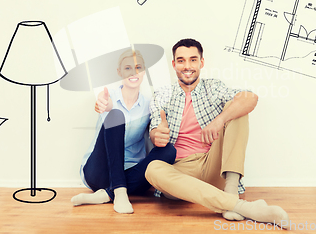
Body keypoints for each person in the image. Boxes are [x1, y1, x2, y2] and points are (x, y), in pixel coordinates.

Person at [145, 38, 289, 228]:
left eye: (193, 60)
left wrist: (219, 120)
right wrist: (157, 135)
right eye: (181, 61)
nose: (187, 66)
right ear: (174, 64)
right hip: (181, 172)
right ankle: (244, 207)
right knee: (152, 169)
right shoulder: (162, 95)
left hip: (212, 164)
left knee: (237, 107)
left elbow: (250, 98)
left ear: (201, 63)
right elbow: (155, 129)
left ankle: (230, 190)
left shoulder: (213, 87)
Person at [71, 49, 176, 214]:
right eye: (127, 68)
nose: (133, 72)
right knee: (116, 115)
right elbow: (103, 103)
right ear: (119, 72)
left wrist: (160, 132)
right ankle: (119, 191)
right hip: (99, 172)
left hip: (131, 173)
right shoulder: (108, 97)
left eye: (138, 67)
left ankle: (107, 194)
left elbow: (155, 133)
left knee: (169, 151)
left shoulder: (149, 105)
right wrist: (104, 105)